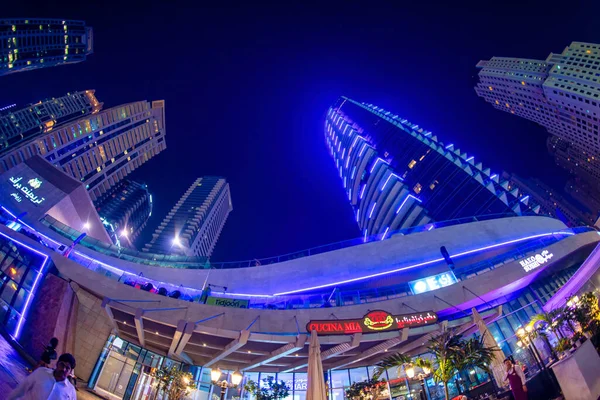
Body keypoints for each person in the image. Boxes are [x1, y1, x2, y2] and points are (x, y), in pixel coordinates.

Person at [8, 353, 77, 400]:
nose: (63, 369)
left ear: (70, 372)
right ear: (57, 363)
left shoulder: (71, 391)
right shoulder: (41, 372)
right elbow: (22, 388)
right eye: (62, 365)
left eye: (67, 368)